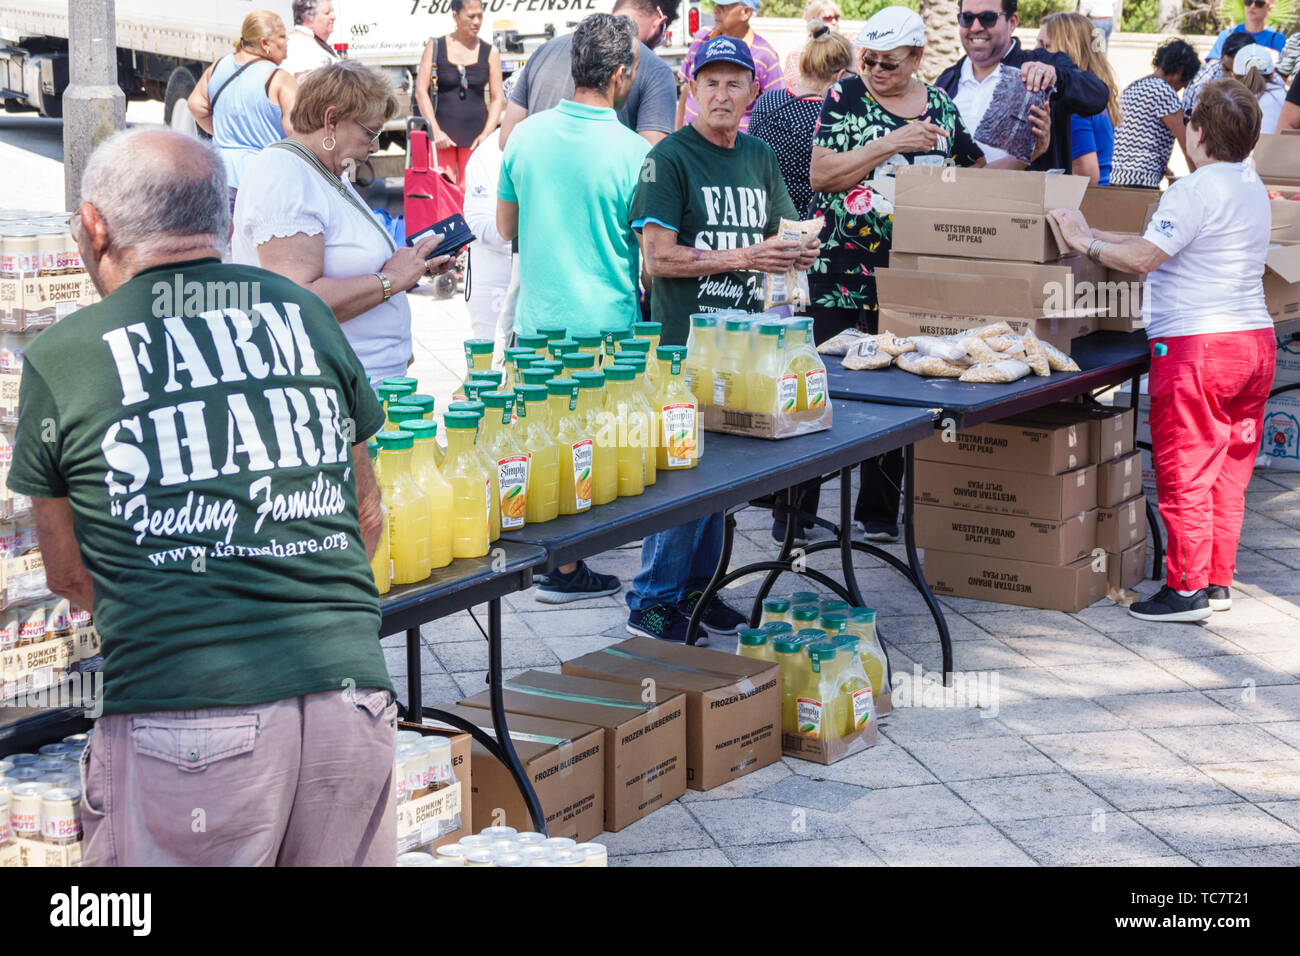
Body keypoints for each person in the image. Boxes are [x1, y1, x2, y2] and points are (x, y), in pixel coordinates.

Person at [7, 129, 397, 865]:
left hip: (181, 715)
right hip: (352, 705)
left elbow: (68, 575)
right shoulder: (304, 312)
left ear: (94, 227)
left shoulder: (64, 356)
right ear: (222, 216)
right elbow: (365, 513)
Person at [1051, 80, 1275, 622]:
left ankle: (1186, 591)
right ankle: (1216, 580)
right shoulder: (1249, 182)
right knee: (1228, 472)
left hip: (1199, 346)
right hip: (1253, 342)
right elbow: (1166, 245)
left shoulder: (1194, 190)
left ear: (1196, 131)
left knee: (1186, 469)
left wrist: (1084, 243)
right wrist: (1093, 232)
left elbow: (1145, 258)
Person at [627, 35, 818, 641]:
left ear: (753, 93)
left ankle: (700, 590)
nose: (721, 93)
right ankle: (651, 600)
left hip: (748, 349)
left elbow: (782, 233)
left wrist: (800, 248)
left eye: (734, 82)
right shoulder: (669, 160)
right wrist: (745, 256)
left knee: (719, 479)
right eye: (709, 81)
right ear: (690, 91)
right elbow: (657, 259)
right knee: (682, 477)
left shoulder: (760, 157)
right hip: (684, 348)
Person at [806, 6, 987, 544]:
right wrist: (892, 142)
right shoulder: (846, 96)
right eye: (869, 60)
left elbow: (971, 168)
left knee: (901, 389)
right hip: (841, 267)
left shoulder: (940, 106)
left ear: (915, 57)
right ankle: (796, 512)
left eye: (888, 62)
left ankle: (879, 512)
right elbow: (822, 173)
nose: (876, 70)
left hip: (910, 275)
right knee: (821, 387)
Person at [497, 14, 649, 604]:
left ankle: (548, 557)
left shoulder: (526, 136)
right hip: (607, 326)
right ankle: (568, 568)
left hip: (539, 321)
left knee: (545, 439)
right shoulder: (635, 151)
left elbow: (508, 227)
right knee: (592, 446)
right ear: (619, 74)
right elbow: (646, 244)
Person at [233, 61, 455, 383]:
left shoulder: (325, 168)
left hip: (359, 383)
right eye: (370, 133)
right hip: (326, 387)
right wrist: (391, 280)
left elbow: (350, 261)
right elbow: (297, 301)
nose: (377, 145)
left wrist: (415, 265)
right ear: (331, 120)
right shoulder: (284, 176)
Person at [934, 0, 1110, 173]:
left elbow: (1097, 96)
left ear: (1012, 22)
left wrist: (1056, 77)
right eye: (967, 18)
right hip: (957, 197)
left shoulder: (1041, 65)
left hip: (1029, 199)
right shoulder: (948, 80)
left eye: (987, 17)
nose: (975, 27)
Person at [498, 0, 681, 149]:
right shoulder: (656, 71)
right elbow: (653, 163)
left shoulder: (544, 51)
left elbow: (507, 140)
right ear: (659, 22)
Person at [187, 10, 296, 212]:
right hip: (265, 179)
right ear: (265, 43)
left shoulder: (219, 66)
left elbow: (195, 105)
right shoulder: (279, 79)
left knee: (226, 241)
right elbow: (296, 131)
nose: (287, 40)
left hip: (221, 176)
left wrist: (223, 133)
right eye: (282, 36)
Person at [750, 19, 854, 218]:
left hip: (762, 218)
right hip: (809, 229)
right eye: (854, 74)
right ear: (841, 76)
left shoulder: (767, 100)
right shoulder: (831, 118)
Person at [414, 0, 505, 187]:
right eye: (471, 16)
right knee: (441, 191)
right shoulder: (435, 46)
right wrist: (435, 130)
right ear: (455, 15)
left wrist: (487, 134)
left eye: (480, 15)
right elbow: (421, 91)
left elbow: (497, 99)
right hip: (442, 137)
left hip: (476, 138)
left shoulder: (491, 52)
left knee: (472, 191)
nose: (477, 21)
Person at [461, 76, 519, 355]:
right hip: (495, 280)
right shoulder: (487, 155)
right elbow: (479, 224)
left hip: (542, 283)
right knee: (492, 365)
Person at [676, 0, 785, 133]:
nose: (715, 10)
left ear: (746, 13)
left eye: (723, 6)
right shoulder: (702, 38)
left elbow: (778, 111)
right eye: (716, 5)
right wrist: (677, 134)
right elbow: (687, 90)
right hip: (691, 144)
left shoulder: (765, 55)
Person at [1039, 12, 1120, 185]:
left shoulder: (1074, 106)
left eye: (1045, 46)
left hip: (1081, 205)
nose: (1035, 52)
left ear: (1067, 51)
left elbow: (1085, 175)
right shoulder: (1090, 97)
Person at [1110, 38, 1201, 188]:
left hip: (1116, 178)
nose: (1179, 90)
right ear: (1180, 71)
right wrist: (1200, 181)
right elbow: (1187, 143)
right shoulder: (1163, 92)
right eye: (1183, 84)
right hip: (1141, 182)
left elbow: (1137, 139)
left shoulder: (1133, 88)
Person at [781, 0, 855, 88]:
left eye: (836, 17)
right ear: (813, 21)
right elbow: (792, 87)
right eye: (828, 18)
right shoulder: (798, 53)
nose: (834, 22)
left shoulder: (849, 45)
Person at [1183, 32, 1257, 119]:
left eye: (1240, 74)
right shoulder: (1199, 87)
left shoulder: (1268, 84)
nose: (1232, 78)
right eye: (1226, 69)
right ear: (1221, 60)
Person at [1232, 45, 1286, 137]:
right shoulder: (1283, 96)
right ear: (1272, 74)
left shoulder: (1226, 98)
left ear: (1233, 75)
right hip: (1279, 150)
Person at [1205, 0, 1287, 61]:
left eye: (1259, 3)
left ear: (1270, 9)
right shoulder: (1228, 34)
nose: (1252, 6)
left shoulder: (1277, 39)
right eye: (1248, 2)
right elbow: (1213, 64)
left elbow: (1283, 74)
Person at [281, 0, 340, 78]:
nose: (333, 17)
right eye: (327, 13)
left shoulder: (313, 40)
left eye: (332, 12)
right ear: (307, 18)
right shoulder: (297, 45)